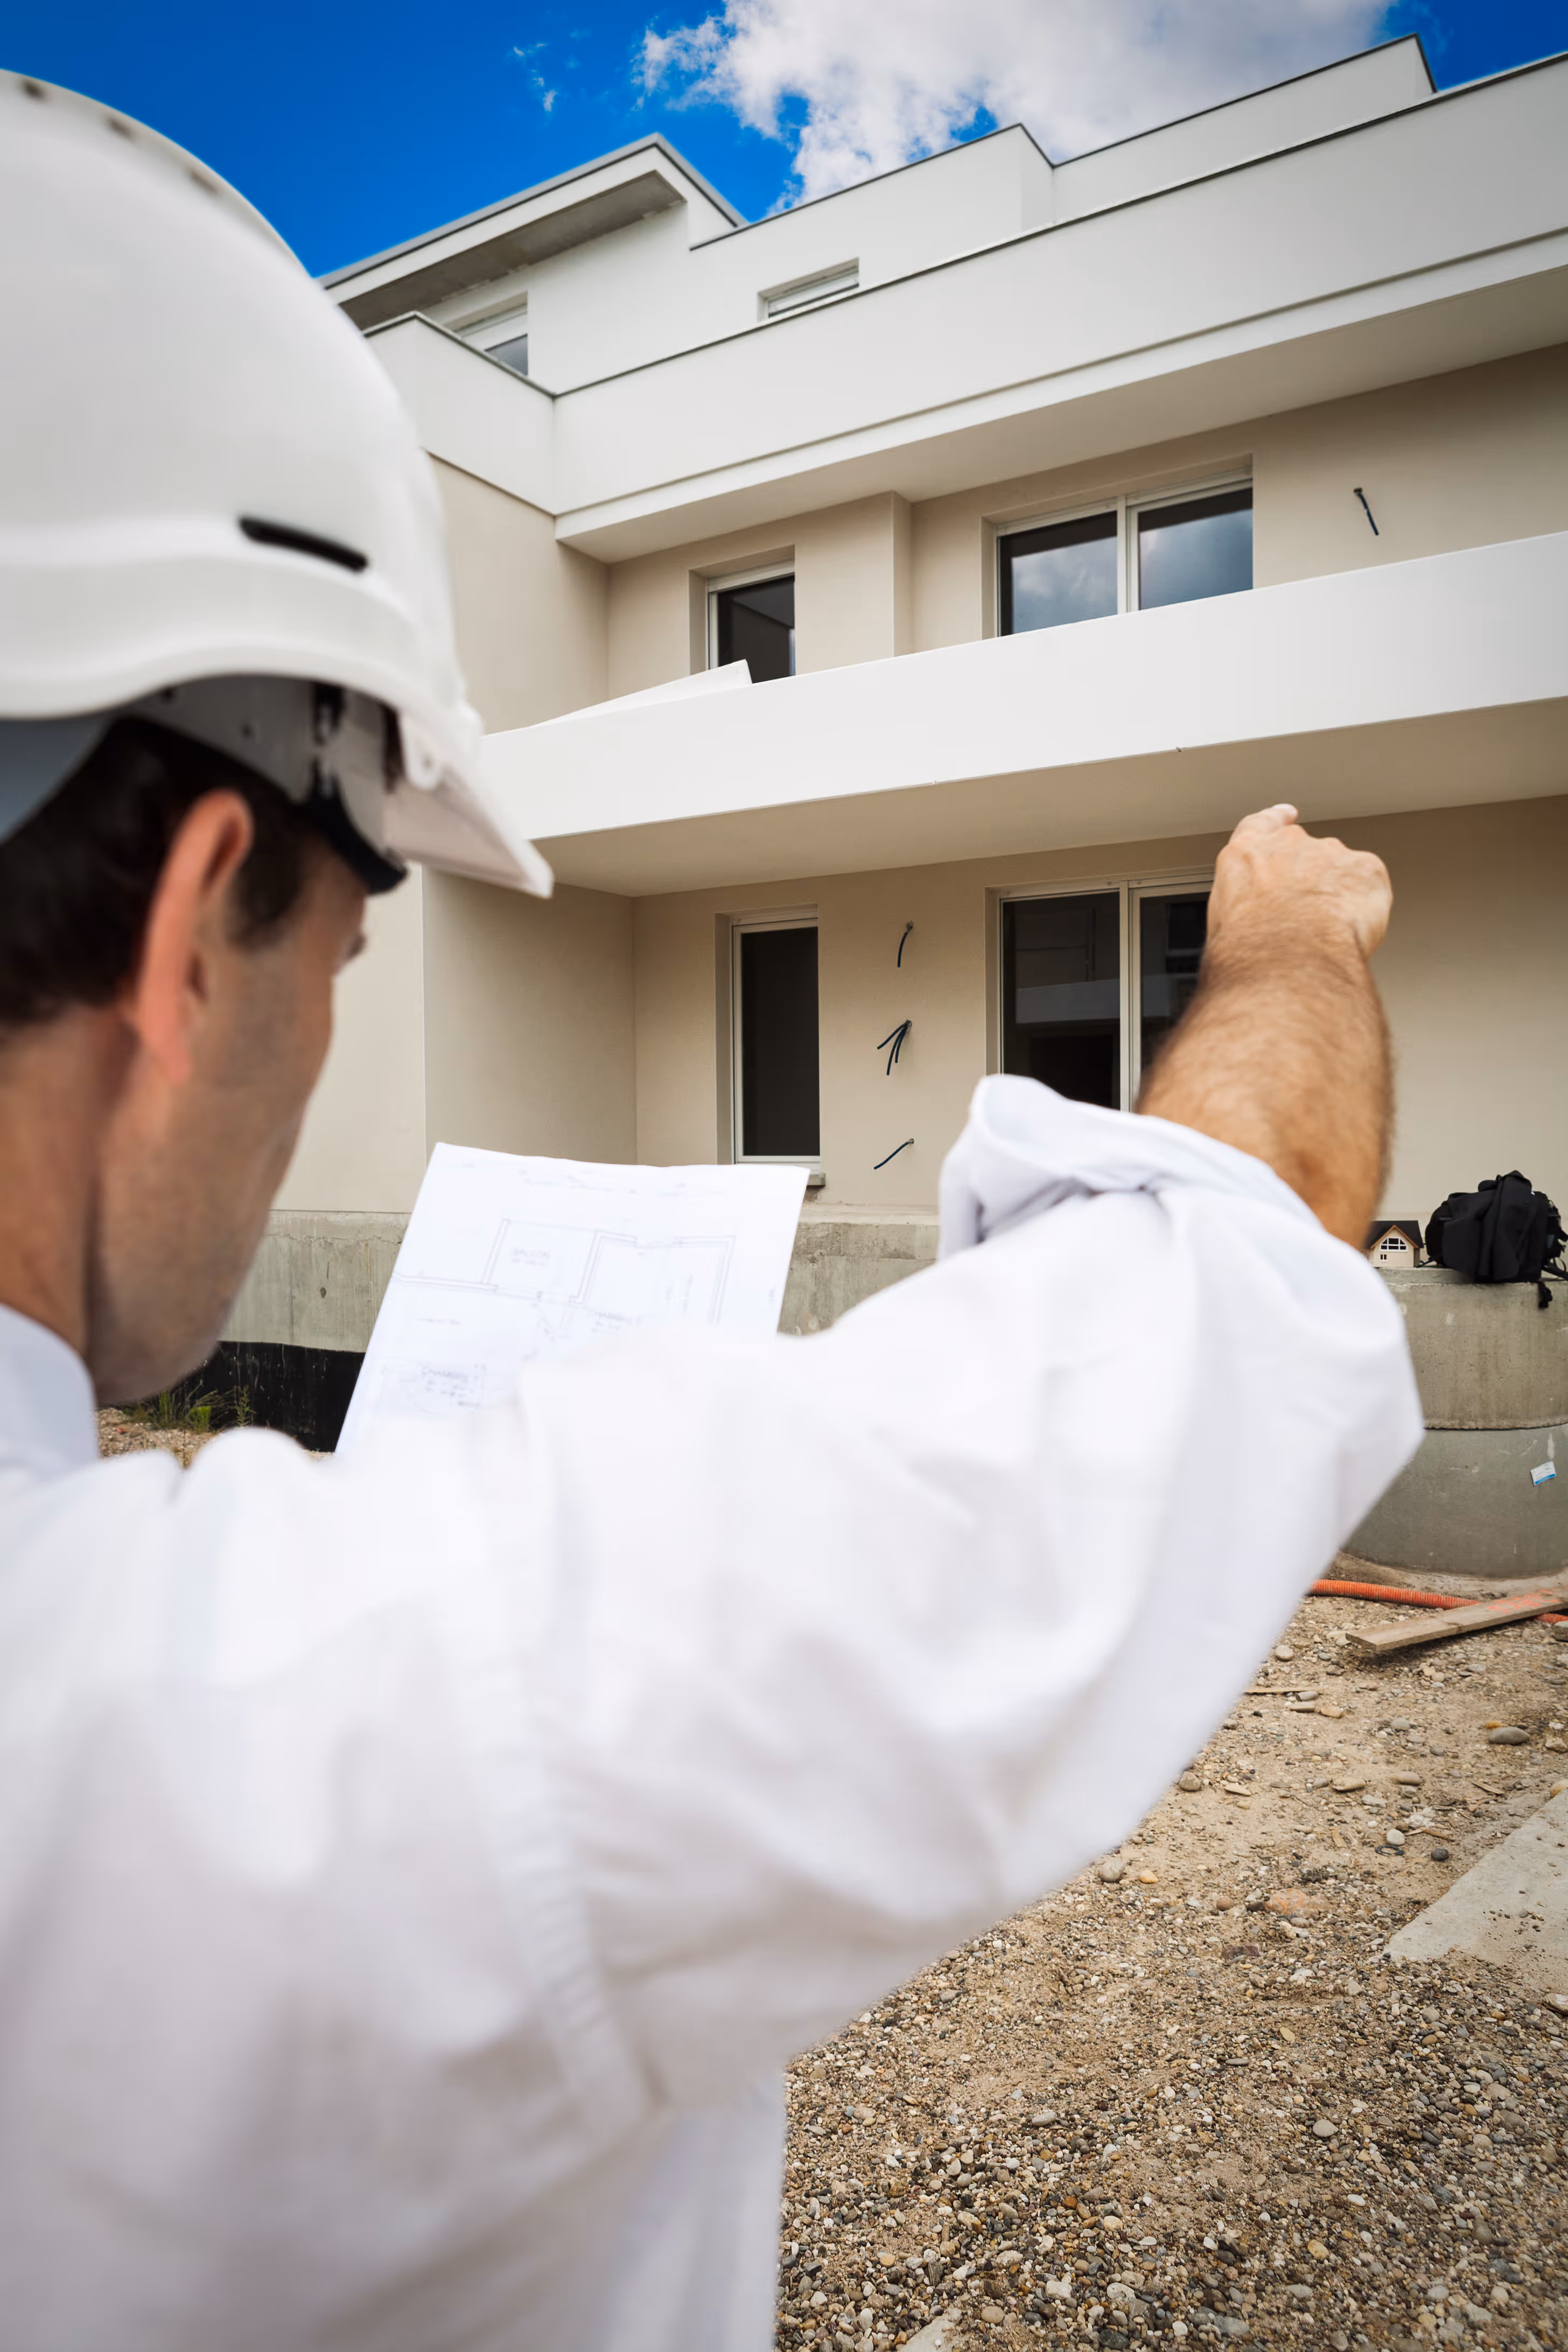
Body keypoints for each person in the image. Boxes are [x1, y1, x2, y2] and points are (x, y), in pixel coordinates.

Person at [0, 72, 1419, 2352]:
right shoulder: (274, 1731)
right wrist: (1277, 952)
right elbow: (1205, 1300)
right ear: (190, 930)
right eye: (343, 952)